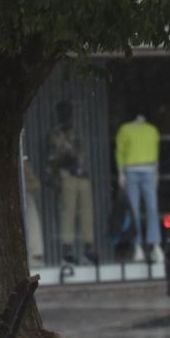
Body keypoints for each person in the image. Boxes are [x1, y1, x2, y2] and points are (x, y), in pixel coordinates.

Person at [47, 100, 96, 264]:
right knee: (68, 213)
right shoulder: (57, 134)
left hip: (81, 176)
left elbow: (81, 154)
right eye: (65, 113)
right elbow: (54, 158)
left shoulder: (75, 131)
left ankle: (88, 247)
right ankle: (67, 249)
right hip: (67, 175)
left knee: (86, 212)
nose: (68, 116)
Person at [114, 111, 162, 262]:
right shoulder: (125, 129)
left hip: (147, 171)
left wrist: (156, 172)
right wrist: (121, 172)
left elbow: (155, 153)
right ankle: (137, 246)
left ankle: (154, 244)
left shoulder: (152, 130)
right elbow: (120, 151)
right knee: (134, 209)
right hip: (132, 171)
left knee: (151, 208)